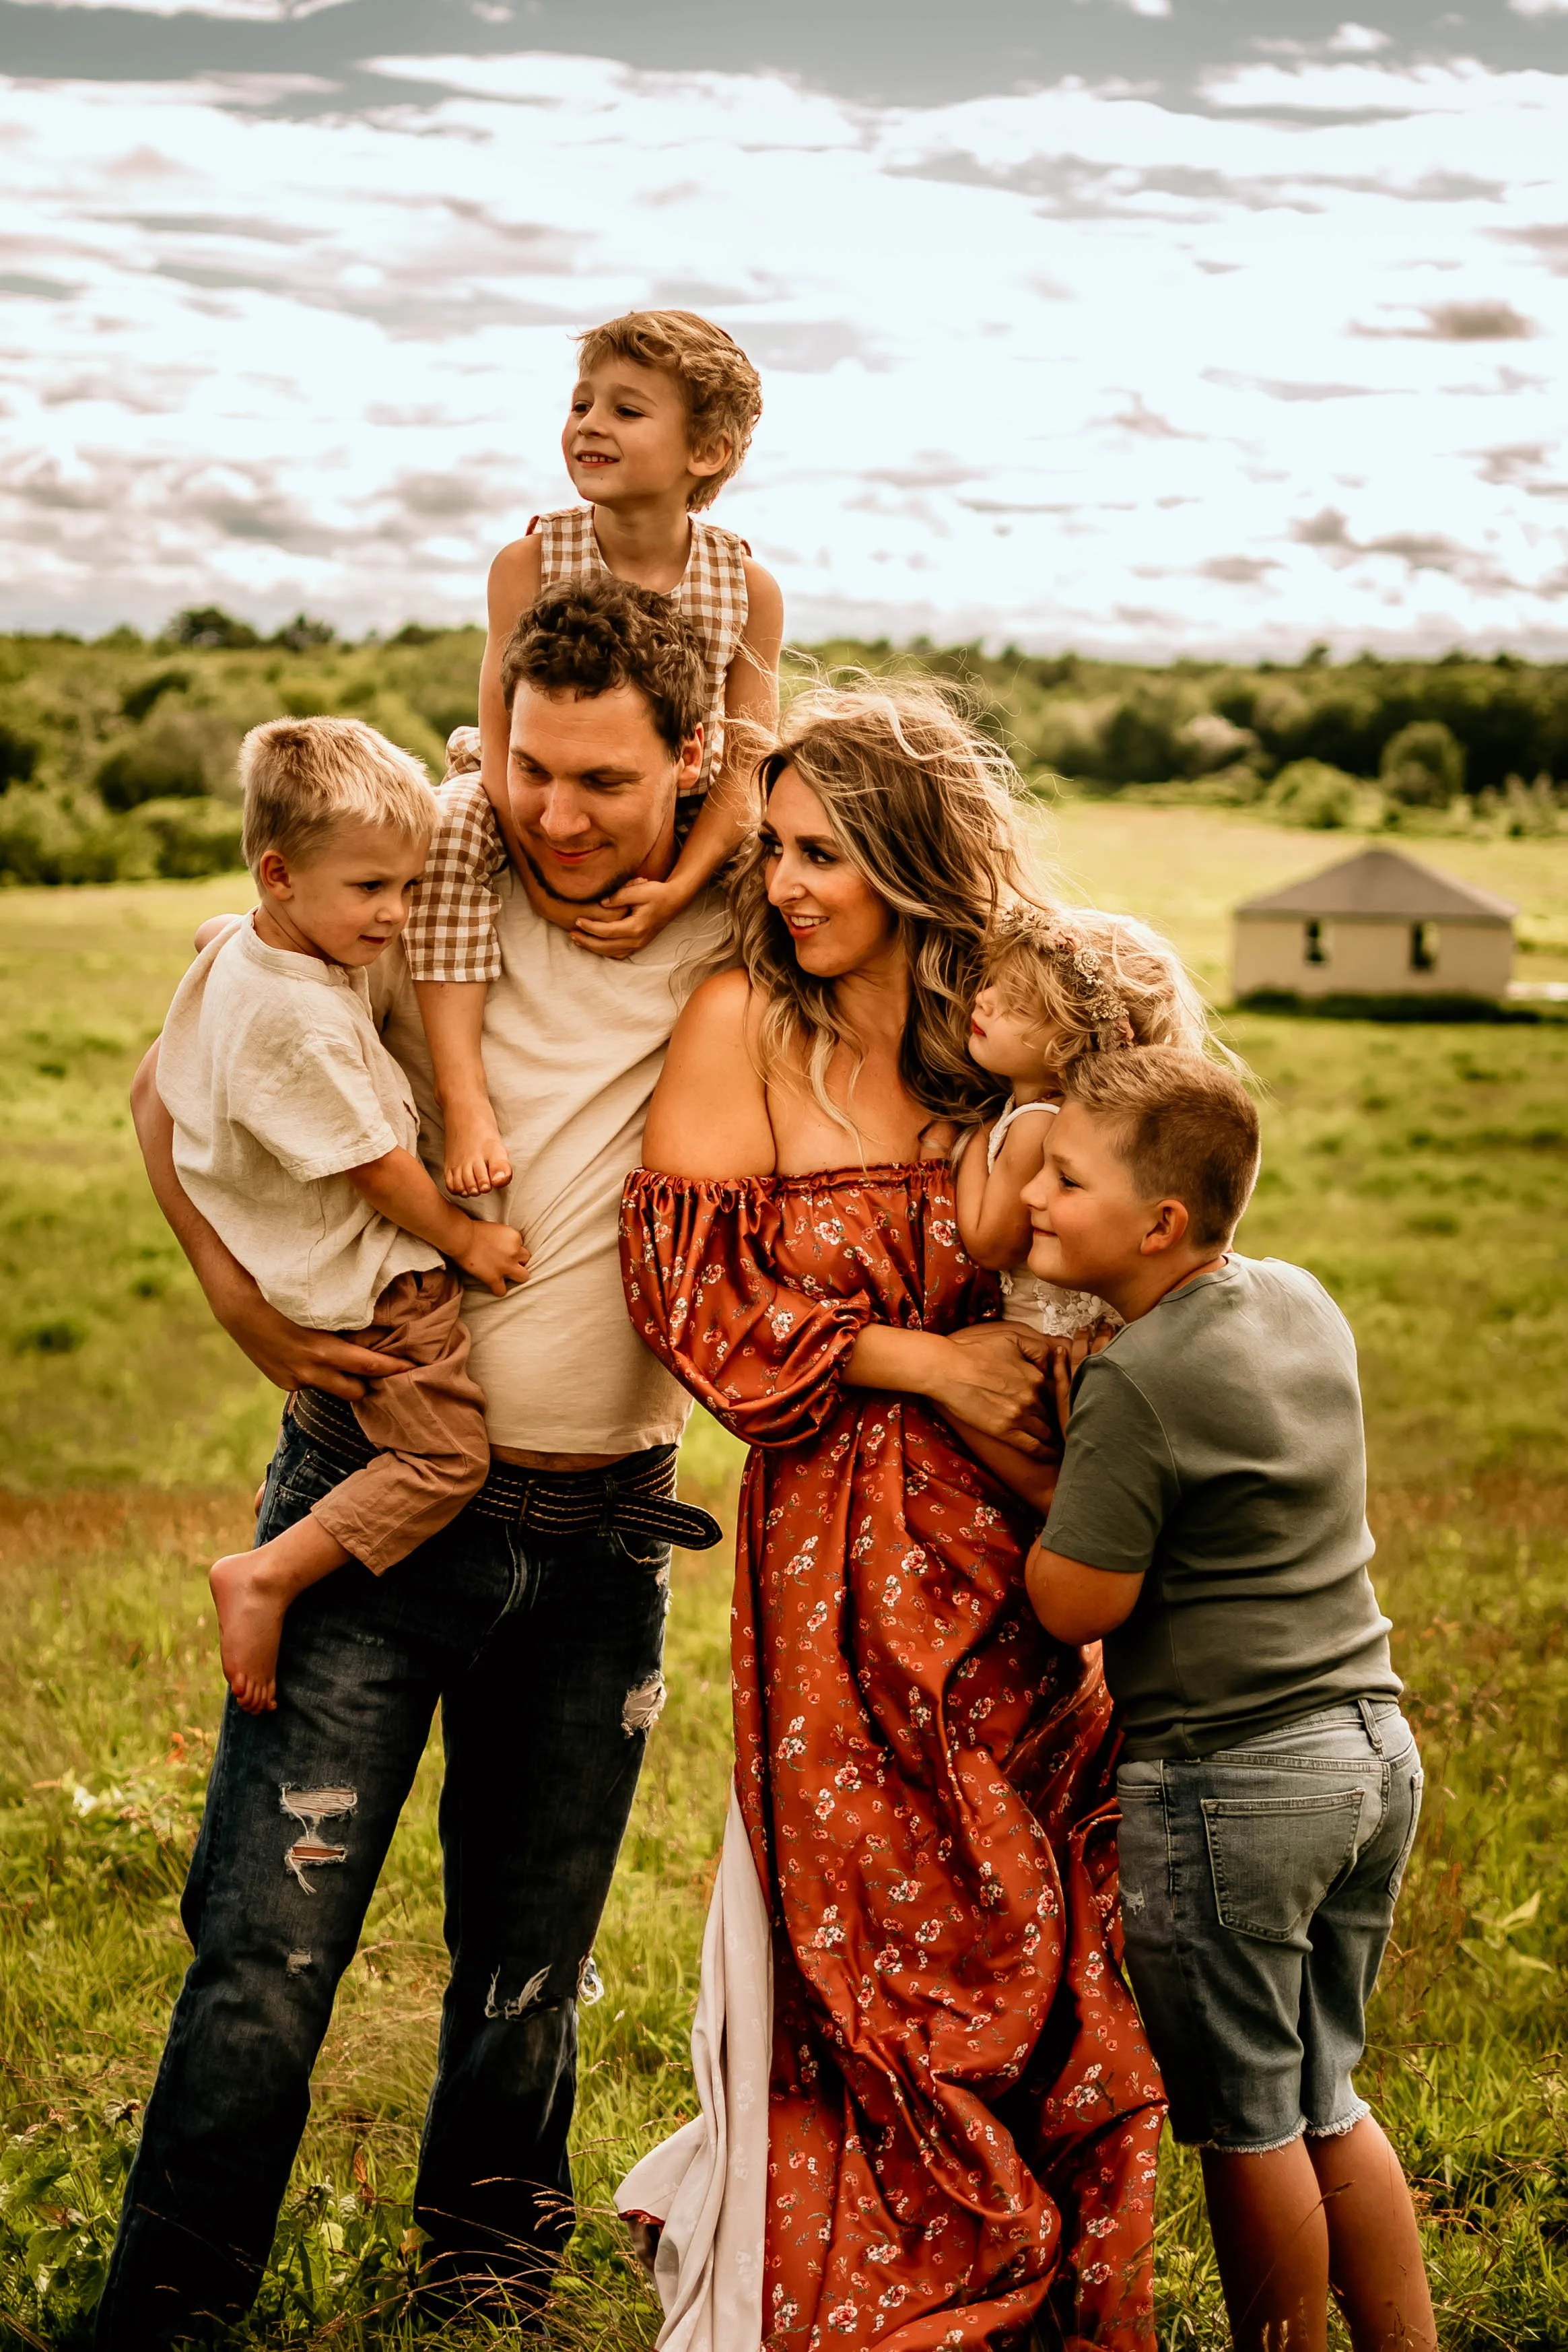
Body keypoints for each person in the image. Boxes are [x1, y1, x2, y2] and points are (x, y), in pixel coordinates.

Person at [98, 577, 730, 2347]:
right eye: (530, 765)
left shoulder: (737, 906)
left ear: (688, 767)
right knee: (266, 1955)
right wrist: (238, 1296)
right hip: (368, 1491)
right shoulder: (407, 872)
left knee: (527, 1978)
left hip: (603, 1534)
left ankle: (481, 2291)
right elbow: (170, 1081)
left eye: (604, 780)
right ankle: (170, 2303)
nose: (551, 810)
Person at [613, 680, 1165, 2352]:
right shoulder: (738, 1025)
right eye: (773, 850)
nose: (786, 885)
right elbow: (690, 1296)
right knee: (873, 1927)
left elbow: (1156, 1223)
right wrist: (924, 1359)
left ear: (917, 865)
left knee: (1037, 1906)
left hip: (1029, 1549)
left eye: (828, 854)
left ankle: (1045, 2261)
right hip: (835, 1554)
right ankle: (882, 2283)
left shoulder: (1011, 1037)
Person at [1024, 1048, 1435, 2352]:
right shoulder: (1301, 1300)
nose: (1033, 1192)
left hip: (1235, 1786)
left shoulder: (1136, 1380)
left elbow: (1076, 1604)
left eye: (1066, 1177)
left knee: (1248, 2119)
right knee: (1328, 2093)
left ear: (1158, 1225)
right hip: (1369, 1752)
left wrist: (1032, 1472)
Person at [158, 716, 526, 1714]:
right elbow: (379, 1169)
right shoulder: (301, 1020)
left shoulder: (254, 945)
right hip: (374, 1283)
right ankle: (269, 1573)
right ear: (279, 873)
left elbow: (211, 934)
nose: (398, 915)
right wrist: (468, 1239)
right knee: (444, 1457)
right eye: (371, 889)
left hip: (325, 1259)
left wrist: (461, 778)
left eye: (409, 887)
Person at [405, 307, 785, 1197]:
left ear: (709, 451)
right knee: (451, 831)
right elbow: (501, 727)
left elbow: (751, 748)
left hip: (691, 792)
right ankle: (463, 1093)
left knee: (780, 873)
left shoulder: (747, 586)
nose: (589, 425)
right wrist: (532, 869)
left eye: (625, 409)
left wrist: (680, 889)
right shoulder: (532, 561)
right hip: (525, 780)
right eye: (581, 403)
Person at [958, 902, 1211, 1341]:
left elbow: (990, 1243)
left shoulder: (1036, 1125)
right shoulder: (1057, 1117)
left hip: (1035, 1337)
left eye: (1015, 1004)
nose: (984, 998)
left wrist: (964, 1143)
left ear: (1071, 1044)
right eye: (994, 982)